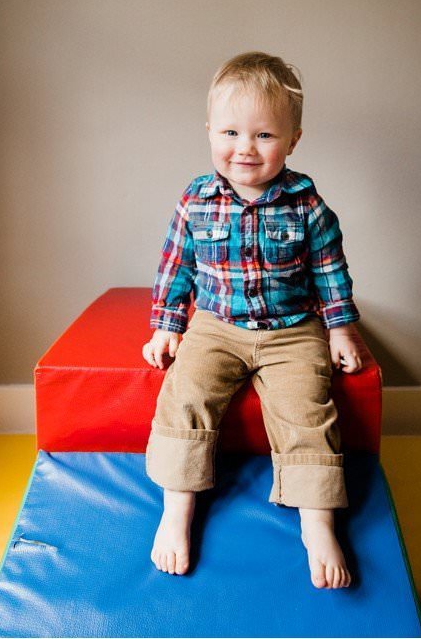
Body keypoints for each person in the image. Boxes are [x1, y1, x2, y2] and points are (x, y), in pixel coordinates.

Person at [141, 52, 368, 589]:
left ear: (293, 140)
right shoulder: (195, 200)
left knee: (306, 409)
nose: (245, 148)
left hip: (292, 329)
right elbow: (176, 266)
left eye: (265, 135)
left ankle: (317, 523)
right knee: (186, 394)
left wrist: (340, 328)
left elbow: (331, 270)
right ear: (209, 133)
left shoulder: (307, 205)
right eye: (231, 132)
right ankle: (177, 510)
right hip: (217, 325)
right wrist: (167, 324)